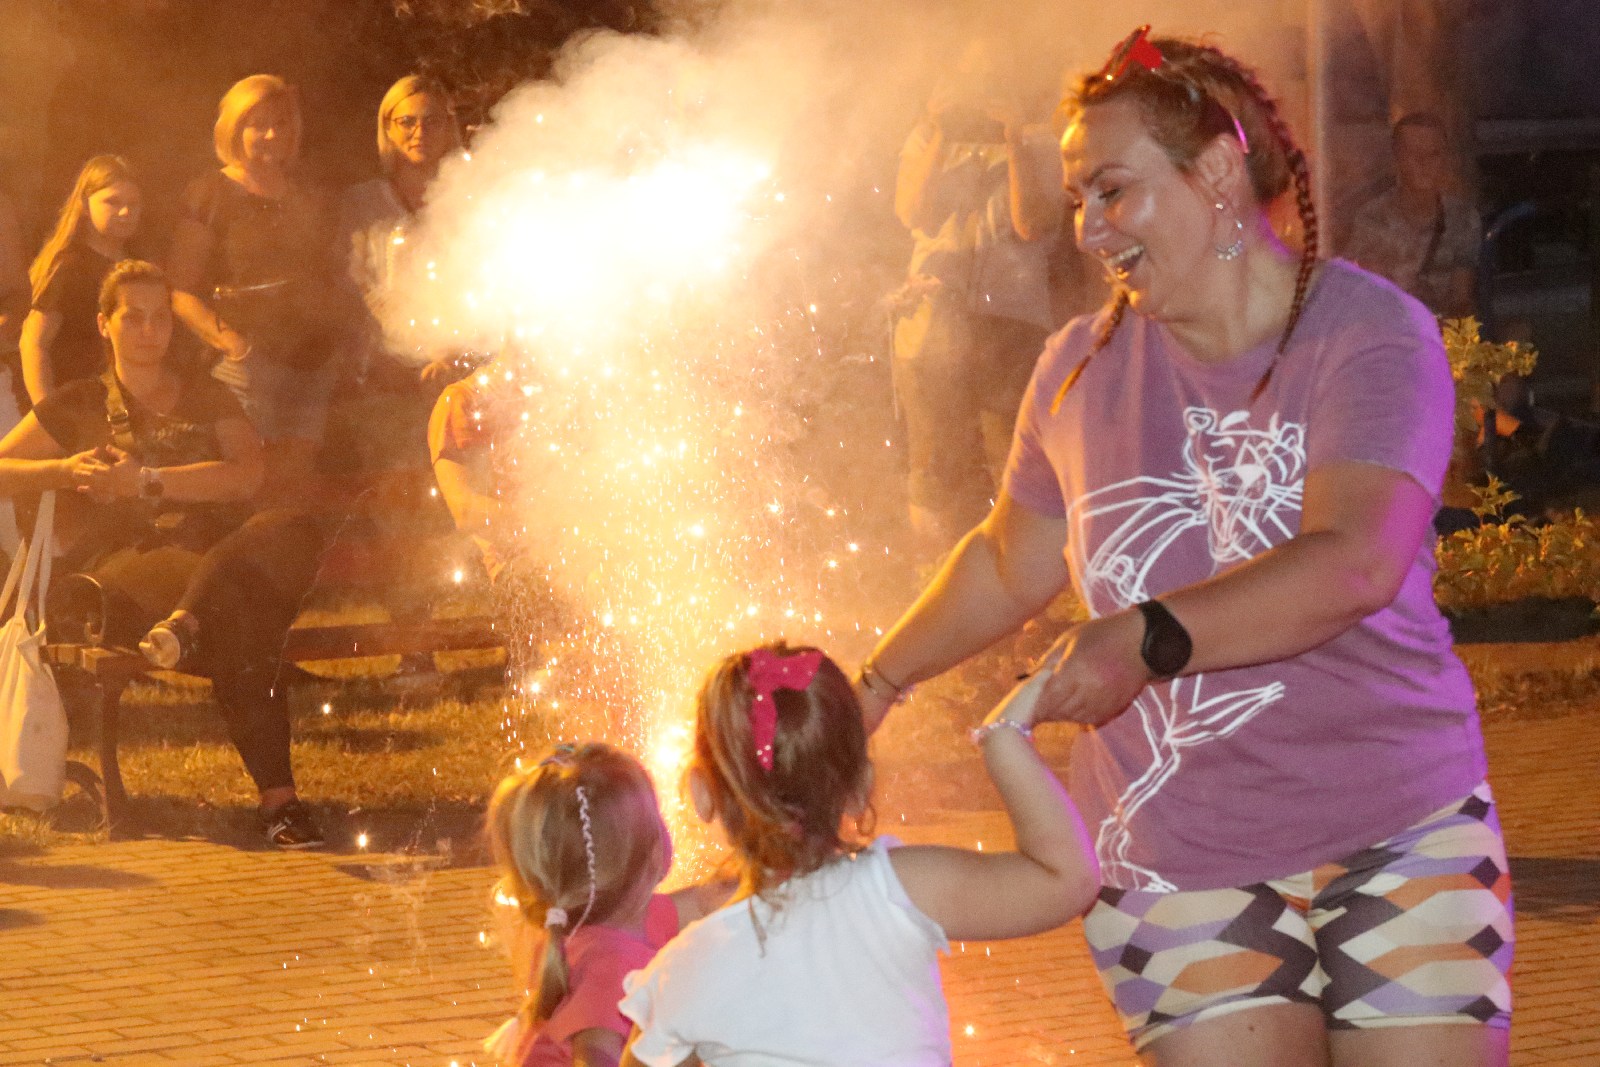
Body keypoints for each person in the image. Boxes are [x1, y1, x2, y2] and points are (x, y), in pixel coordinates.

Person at [855, 28, 1513, 1067]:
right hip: (1172, 854)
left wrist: (1140, 638)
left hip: (1399, 820)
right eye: (1077, 197)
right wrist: (876, 680)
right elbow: (1008, 556)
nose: (1088, 227)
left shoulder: (1367, 332)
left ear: (1213, 173)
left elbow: (1353, 561)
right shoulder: (1077, 368)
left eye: (1112, 189)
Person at [617, 643, 1099, 1066]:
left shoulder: (682, 972)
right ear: (861, 785)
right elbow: (1066, 878)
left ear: (701, 794)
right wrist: (1006, 738)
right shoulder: (902, 890)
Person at [0, 260, 327, 848]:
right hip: (127, 574)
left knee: (291, 527)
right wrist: (64, 469)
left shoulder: (206, 395)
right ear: (104, 325)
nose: (150, 331)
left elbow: (247, 475)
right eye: (134, 318)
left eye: (161, 320)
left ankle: (187, 623)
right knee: (246, 621)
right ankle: (282, 805)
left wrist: (147, 480)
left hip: (213, 560)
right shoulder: (78, 403)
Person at [892, 34, 1064, 549]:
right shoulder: (926, 140)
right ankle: (937, 580)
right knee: (935, 466)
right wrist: (942, 131)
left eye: (990, 80)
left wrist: (1015, 138)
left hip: (1011, 323)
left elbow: (1032, 225)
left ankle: (1026, 597)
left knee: (1016, 465)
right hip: (932, 319)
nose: (977, 93)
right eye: (969, 80)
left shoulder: (1043, 140)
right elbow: (912, 213)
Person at [483, 742, 728, 1067]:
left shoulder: (600, 929)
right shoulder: (610, 965)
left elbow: (706, 901)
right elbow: (594, 1056)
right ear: (657, 851)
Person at [168, 74, 349, 503]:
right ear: (234, 128)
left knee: (293, 487)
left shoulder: (306, 196)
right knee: (244, 481)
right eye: (258, 124)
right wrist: (231, 344)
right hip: (248, 365)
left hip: (310, 364)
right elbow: (178, 288)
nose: (272, 135)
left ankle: (286, 566)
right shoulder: (210, 194)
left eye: (282, 123)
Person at [331, 74, 466, 488]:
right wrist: (386, 355)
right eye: (406, 121)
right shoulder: (362, 202)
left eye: (432, 121)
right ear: (388, 128)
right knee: (399, 492)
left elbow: (483, 280)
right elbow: (350, 283)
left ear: (449, 127)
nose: (419, 132)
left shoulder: (470, 195)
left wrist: (451, 353)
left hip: (457, 371)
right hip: (381, 375)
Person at [20, 156, 143, 408]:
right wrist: (48, 414)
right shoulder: (69, 267)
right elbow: (33, 342)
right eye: (112, 202)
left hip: (122, 399)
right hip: (76, 400)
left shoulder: (138, 263)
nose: (125, 212)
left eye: (133, 203)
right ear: (85, 206)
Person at [1343, 112, 1480, 318]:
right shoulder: (1372, 219)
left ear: (1444, 159)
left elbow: (1461, 299)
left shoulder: (1463, 218)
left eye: (1433, 154)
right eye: (1413, 153)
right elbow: (1377, 300)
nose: (1423, 162)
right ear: (1396, 159)